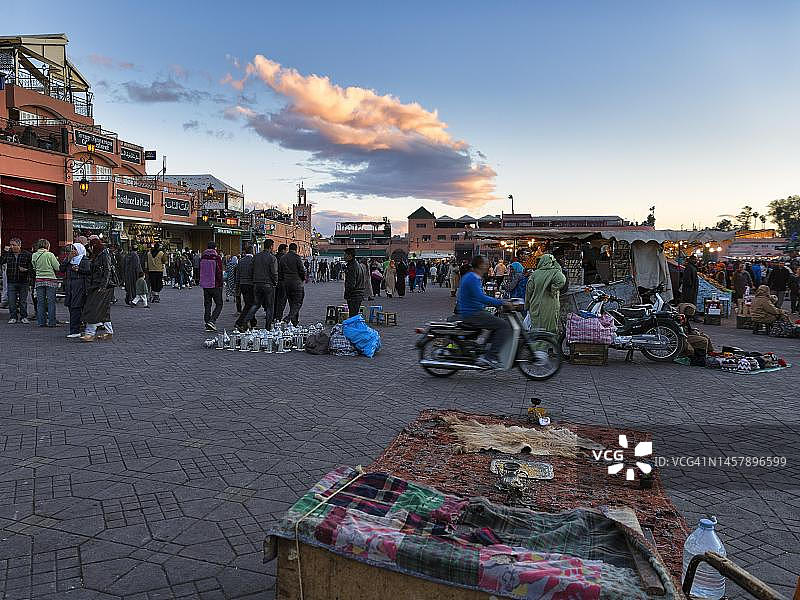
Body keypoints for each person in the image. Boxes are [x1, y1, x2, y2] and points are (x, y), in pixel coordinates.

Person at [456, 255, 510, 367]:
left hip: (474, 311)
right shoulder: (472, 278)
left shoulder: (473, 277)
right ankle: (490, 357)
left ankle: (483, 349)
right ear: (480, 265)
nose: (488, 264)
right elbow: (481, 297)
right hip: (472, 313)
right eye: (486, 263)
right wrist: (501, 302)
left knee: (495, 324)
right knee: (504, 326)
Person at [80, 238, 115, 341]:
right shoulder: (99, 254)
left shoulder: (103, 255)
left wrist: (103, 286)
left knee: (93, 308)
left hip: (102, 286)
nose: (89, 249)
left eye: (90, 246)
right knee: (103, 310)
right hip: (100, 285)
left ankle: (90, 333)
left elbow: (107, 270)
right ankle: (109, 332)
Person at [524, 254, 567, 334]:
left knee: (537, 327)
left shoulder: (534, 274)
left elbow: (528, 291)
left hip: (535, 305)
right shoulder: (555, 272)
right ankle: (548, 344)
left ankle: (537, 345)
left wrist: (526, 305)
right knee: (549, 328)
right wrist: (553, 289)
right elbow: (562, 280)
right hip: (550, 305)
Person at [247, 239, 278, 329]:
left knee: (256, 304)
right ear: (271, 246)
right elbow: (274, 272)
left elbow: (250, 270)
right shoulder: (272, 258)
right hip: (268, 284)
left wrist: (254, 279)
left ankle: (246, 321)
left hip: (257, 284)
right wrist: (275, 282)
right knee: (269, 306)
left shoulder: (256, 257)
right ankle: (268, 326)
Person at [60, 242, 90, 337]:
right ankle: (77, 326)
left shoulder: (84, 260)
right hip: (70, 286)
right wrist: (68, 259)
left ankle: (75, 330)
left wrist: (79, 270)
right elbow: (61, 269)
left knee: (76, 307)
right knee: (71, 306)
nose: (73, 251)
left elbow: (89, 272)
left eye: (74, 249)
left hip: (79, 286)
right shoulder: (69, 259)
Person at [0, 237, 32, 324]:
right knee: (11, 300)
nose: (11, 247)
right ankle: (13, 317)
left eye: (14, 245)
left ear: (19, 245)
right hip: (11, 281)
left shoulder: (26, 254)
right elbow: (1, 261)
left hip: (23, 281)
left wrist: (26, 270)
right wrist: (5, 252)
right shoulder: (8, 254)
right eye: (10, 245)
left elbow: (32, 267)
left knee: (23, 301)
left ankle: (23, 316)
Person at [31, 239, 61, 328]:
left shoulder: (34, 255)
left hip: (39, 280)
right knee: (51, 302)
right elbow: (57, 267)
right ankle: (52, 322)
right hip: (50, 279)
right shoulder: (50, 255)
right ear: (47, 246)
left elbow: (34, 267)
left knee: (40, 302)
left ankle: (41, 322)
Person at [199, 242, 224, 331]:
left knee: (207, 304)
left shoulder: (202, 257)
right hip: (215, 284)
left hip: (205, 285)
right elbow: (219, 272)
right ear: (215, 248)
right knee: (219, 304)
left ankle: (207, 322)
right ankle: (212, 321)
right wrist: (221, 282)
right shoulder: (216, 258)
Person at [280, 243, 306, 325]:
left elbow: (280, 271)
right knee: (298, 302)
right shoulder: (297, 257)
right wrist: (302, 279)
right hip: (297, 282)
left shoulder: (283, 258)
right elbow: (301, 270)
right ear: (296, 249)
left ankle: (294, 322)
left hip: (286, 283)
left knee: (292, 303)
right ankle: (288, 318)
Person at [235, 244, 257, 331]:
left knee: (249, 303)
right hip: (251, 284)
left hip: (242, 284)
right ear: (253, 251)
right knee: (249, 304)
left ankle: (252, 322)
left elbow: (238, 274)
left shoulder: (241, 261)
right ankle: (240, 322)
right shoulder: (254, 260)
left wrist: (237, 286)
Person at [343, 248, 365, 317]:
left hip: (354, 294)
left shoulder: (352, 267)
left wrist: (347, 294)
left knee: (353, 316)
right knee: (354, 314)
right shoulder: (357, 264)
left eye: (345, 255)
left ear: (350, 256)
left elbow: (351, 284)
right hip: (358, 293)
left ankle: (353, 327)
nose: (344, 257)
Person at [274, 243, 288, 322]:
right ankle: (278, 317)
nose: (287, 251)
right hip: (283, 281)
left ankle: (274, 316)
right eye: (286, 250)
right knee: (282, 301)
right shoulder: (284, 258)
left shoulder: (274, 257)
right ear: (283, 250)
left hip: (274, 282)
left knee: (275, 300)